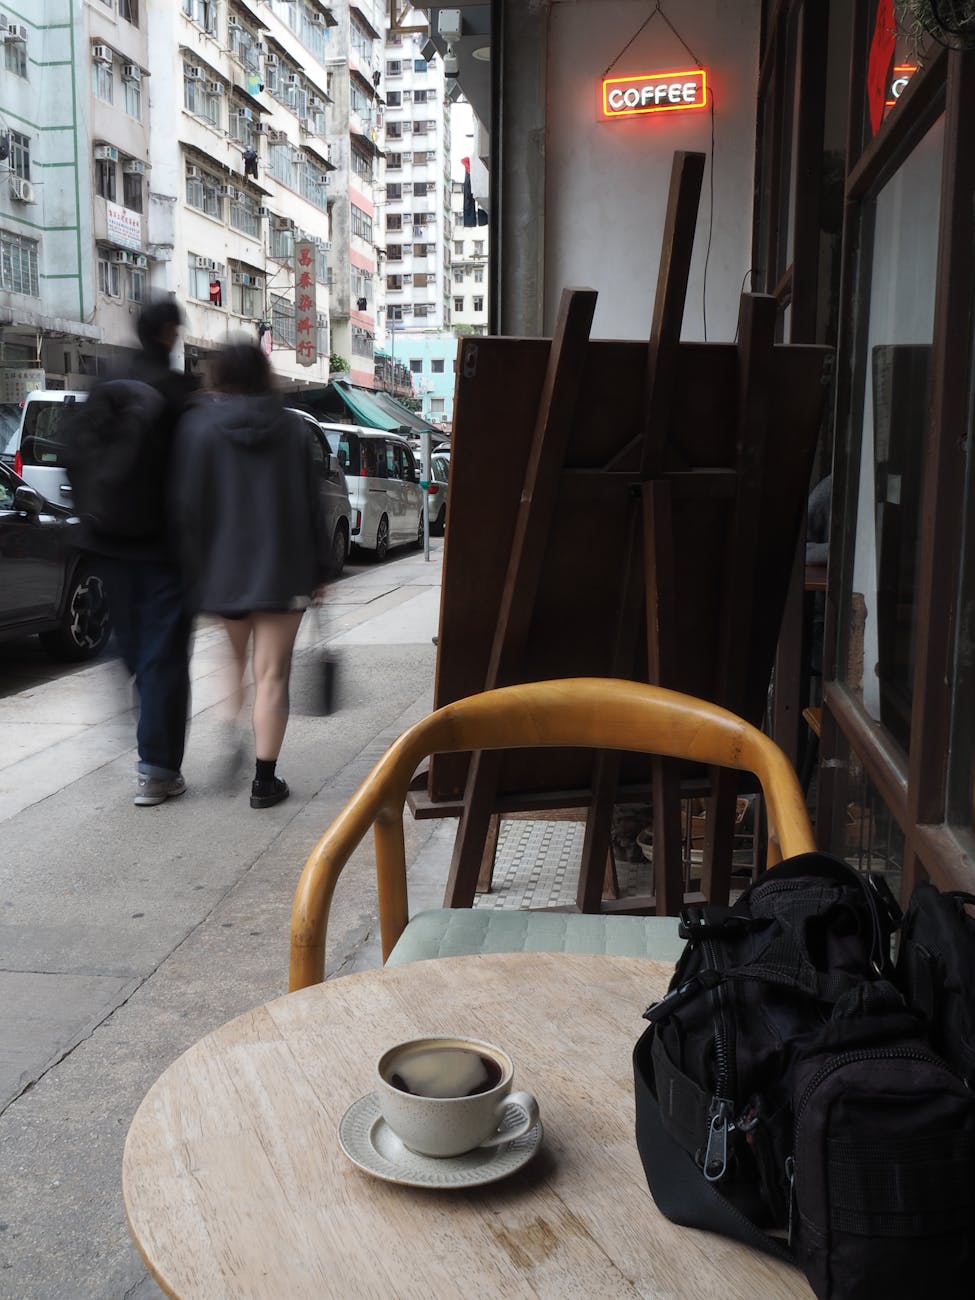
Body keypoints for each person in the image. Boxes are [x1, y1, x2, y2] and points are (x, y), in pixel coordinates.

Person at [171, 341, 330, 809]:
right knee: (272, 673)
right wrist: (321, 569)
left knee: (234, 658)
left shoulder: (198, 427)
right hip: (283, 570)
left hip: (224, 571)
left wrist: (194, 567)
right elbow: (312, 504)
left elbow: (186, 507)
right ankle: (264, 781)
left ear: (220, 374)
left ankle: (229, 727)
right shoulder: (293, 429)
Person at [73, 296, 198, 806]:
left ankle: (145, 712)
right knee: (163, 655)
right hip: (165, 549)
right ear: (169, 334)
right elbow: (195, 476)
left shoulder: (104, 384)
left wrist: (92, 517)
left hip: (107, 543)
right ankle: (157, 769)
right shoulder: (178, 392)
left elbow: (73, 456)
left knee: (131, 644)